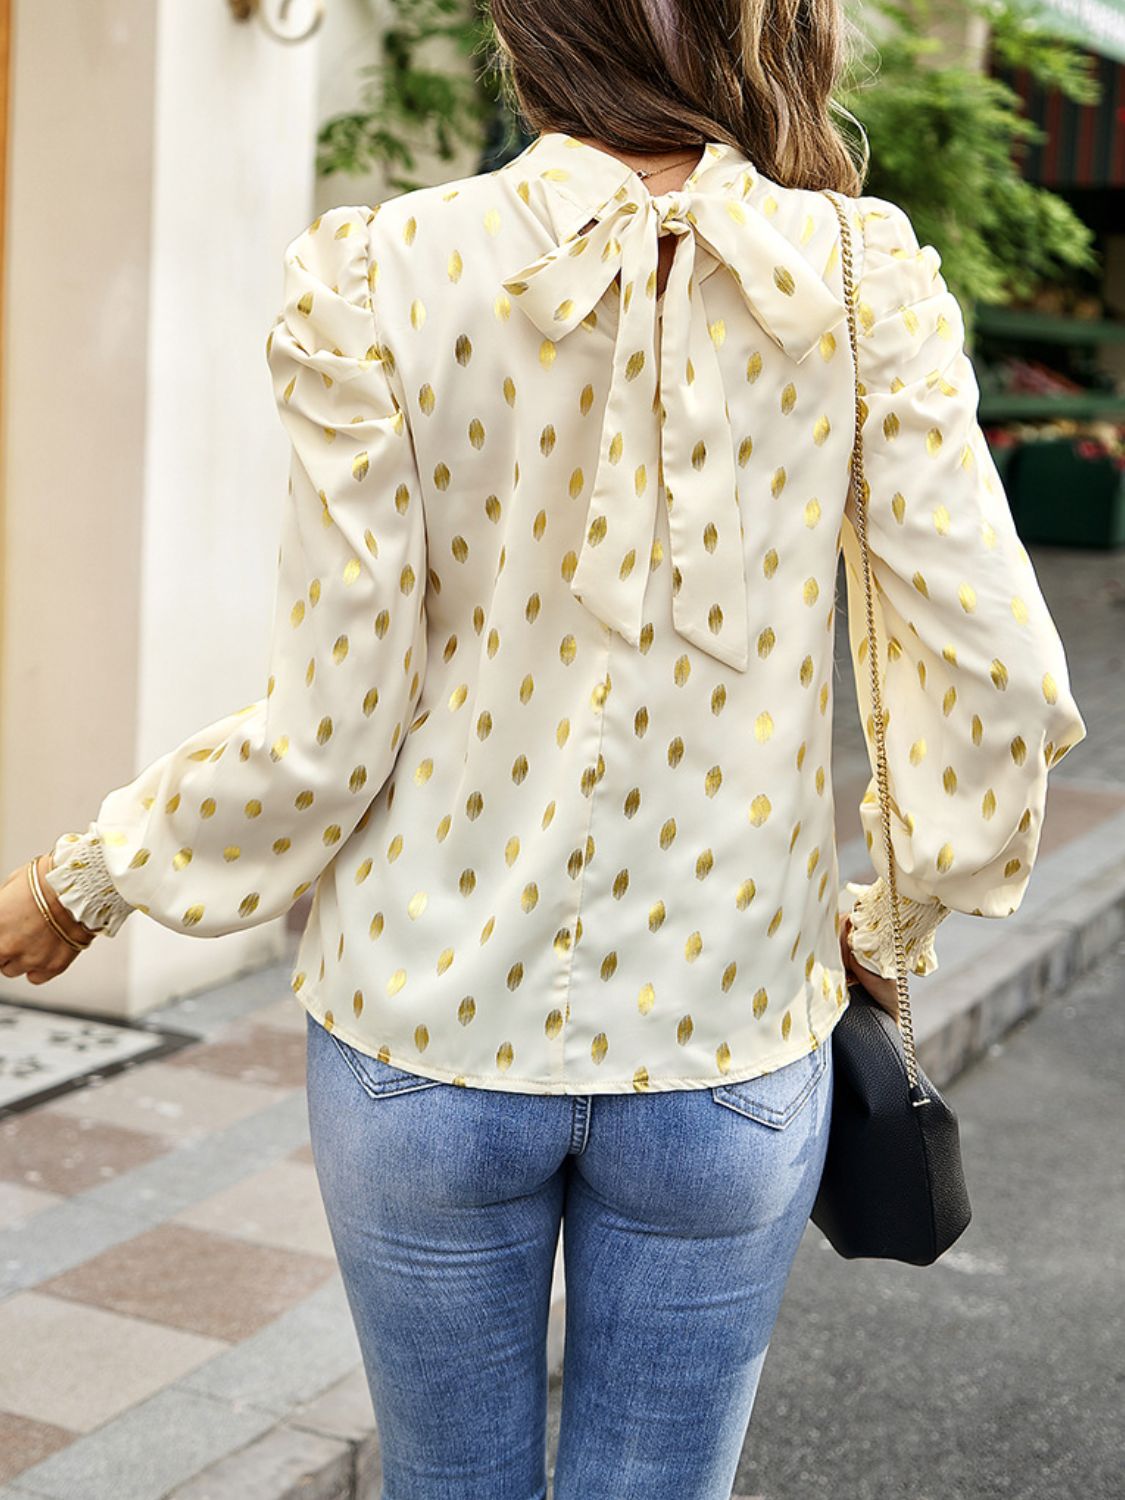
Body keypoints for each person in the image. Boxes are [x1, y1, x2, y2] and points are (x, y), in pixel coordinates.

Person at [0, 1, 1087, 1496]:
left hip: (419, 1031)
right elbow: (989, 680)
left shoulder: (381, 273)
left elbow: (328, 728)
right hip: (728, 1034)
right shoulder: (856, 277)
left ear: (528, 32)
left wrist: (88, 879)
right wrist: (892, 919)